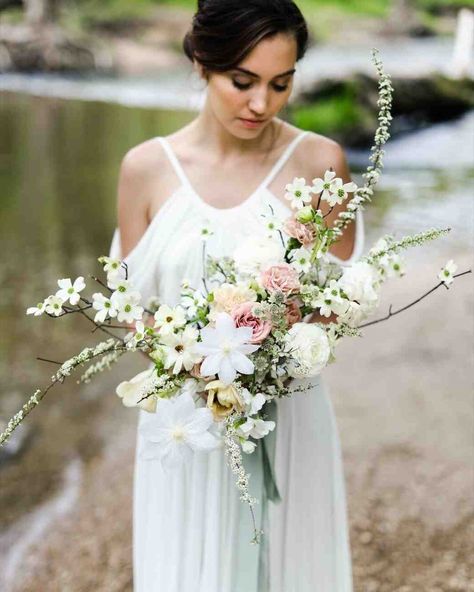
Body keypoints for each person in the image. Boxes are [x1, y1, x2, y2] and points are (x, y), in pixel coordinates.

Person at [109, 1, 364, 590]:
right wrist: (192, 361)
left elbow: (347, 293)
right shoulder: (146, 168)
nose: (261, 104)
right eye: (242, 82)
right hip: (184, 427)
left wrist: (288, 330)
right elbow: (130, 308)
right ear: (202, 62)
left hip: (289, 414)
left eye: (281, 84)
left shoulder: (321, 163)